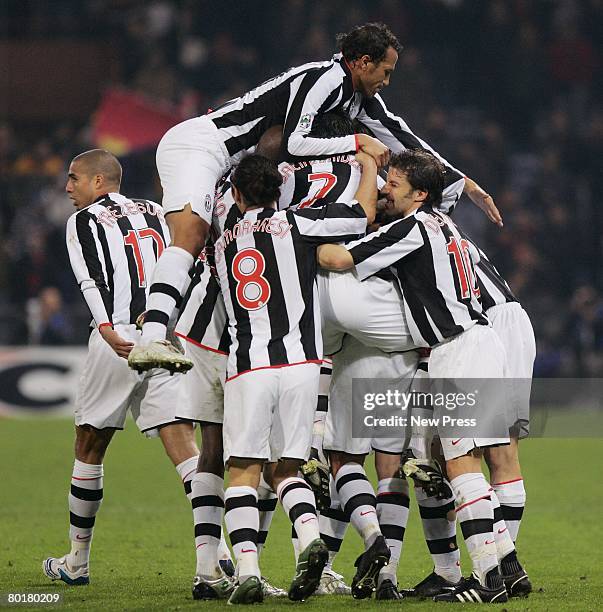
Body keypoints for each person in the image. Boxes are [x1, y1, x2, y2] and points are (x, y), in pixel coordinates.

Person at [128, 22, 498, 373]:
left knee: (213, 239)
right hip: (203, 146)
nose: (387, 81)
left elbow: (399, 134)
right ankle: (154, 333)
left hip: (231, 164)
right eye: (384, 71)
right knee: (191, 236)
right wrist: (356, 142)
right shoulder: (325, 77)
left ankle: (160, 322)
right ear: (362, 62)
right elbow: (293, 141)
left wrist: (462, 182)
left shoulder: (356, 96)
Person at [318, 150, 513, 603]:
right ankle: (503, 565)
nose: (386, 186)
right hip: (476, 341)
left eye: (395, 182)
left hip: (459, 349)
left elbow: (342, 259)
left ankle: (486, 580)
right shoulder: (444, 224)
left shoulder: (411, 227)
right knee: (459, 465)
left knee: (460, 466)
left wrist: (309, 245)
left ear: (420, 194)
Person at [213, 152, 377, 604]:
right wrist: (367, 169)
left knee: (244, 470)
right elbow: (362, 215)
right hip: (304, 363)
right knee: (288, 468)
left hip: (250, 363)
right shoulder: (300, 223)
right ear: (277, 190)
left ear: (238, 194)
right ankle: (309, 538)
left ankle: (247, 570)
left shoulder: (221, 241)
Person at [43, 150, 210, 588]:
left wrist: (105, 328)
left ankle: (76, 562)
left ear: (100, 181)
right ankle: (217, 556)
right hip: (163, 333)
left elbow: (88, 279)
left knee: (89, 443)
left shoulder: (82, 221)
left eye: (74, 178)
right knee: (184, 444)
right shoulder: (157, 210)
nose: (68, 187)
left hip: (117, 335)